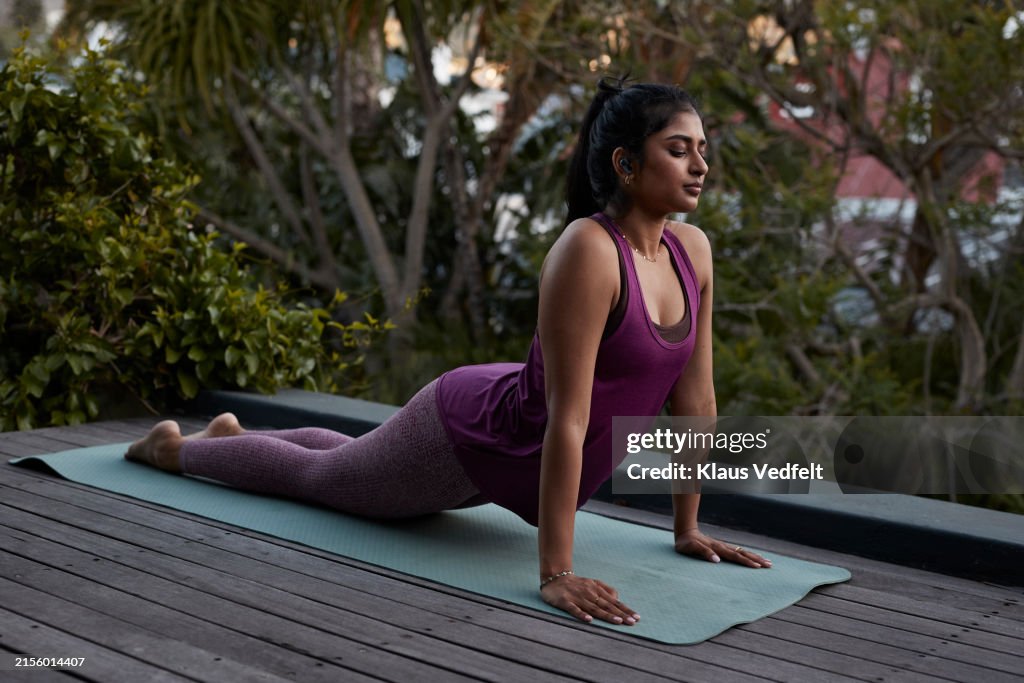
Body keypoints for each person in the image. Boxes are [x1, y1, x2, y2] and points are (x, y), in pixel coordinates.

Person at [126, 77, 772, 628]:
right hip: (474, 435)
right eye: (678, 150)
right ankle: (175, 448)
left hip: (512, 446)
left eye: (702, 151)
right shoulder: (589, 249)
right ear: (627, 165)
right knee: (323, 480)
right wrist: (556, 571)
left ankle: (231, 430)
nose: (700, 166)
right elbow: (567, 419)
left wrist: (685, 529)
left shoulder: (693, 251)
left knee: (354, 463)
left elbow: (697, 399)